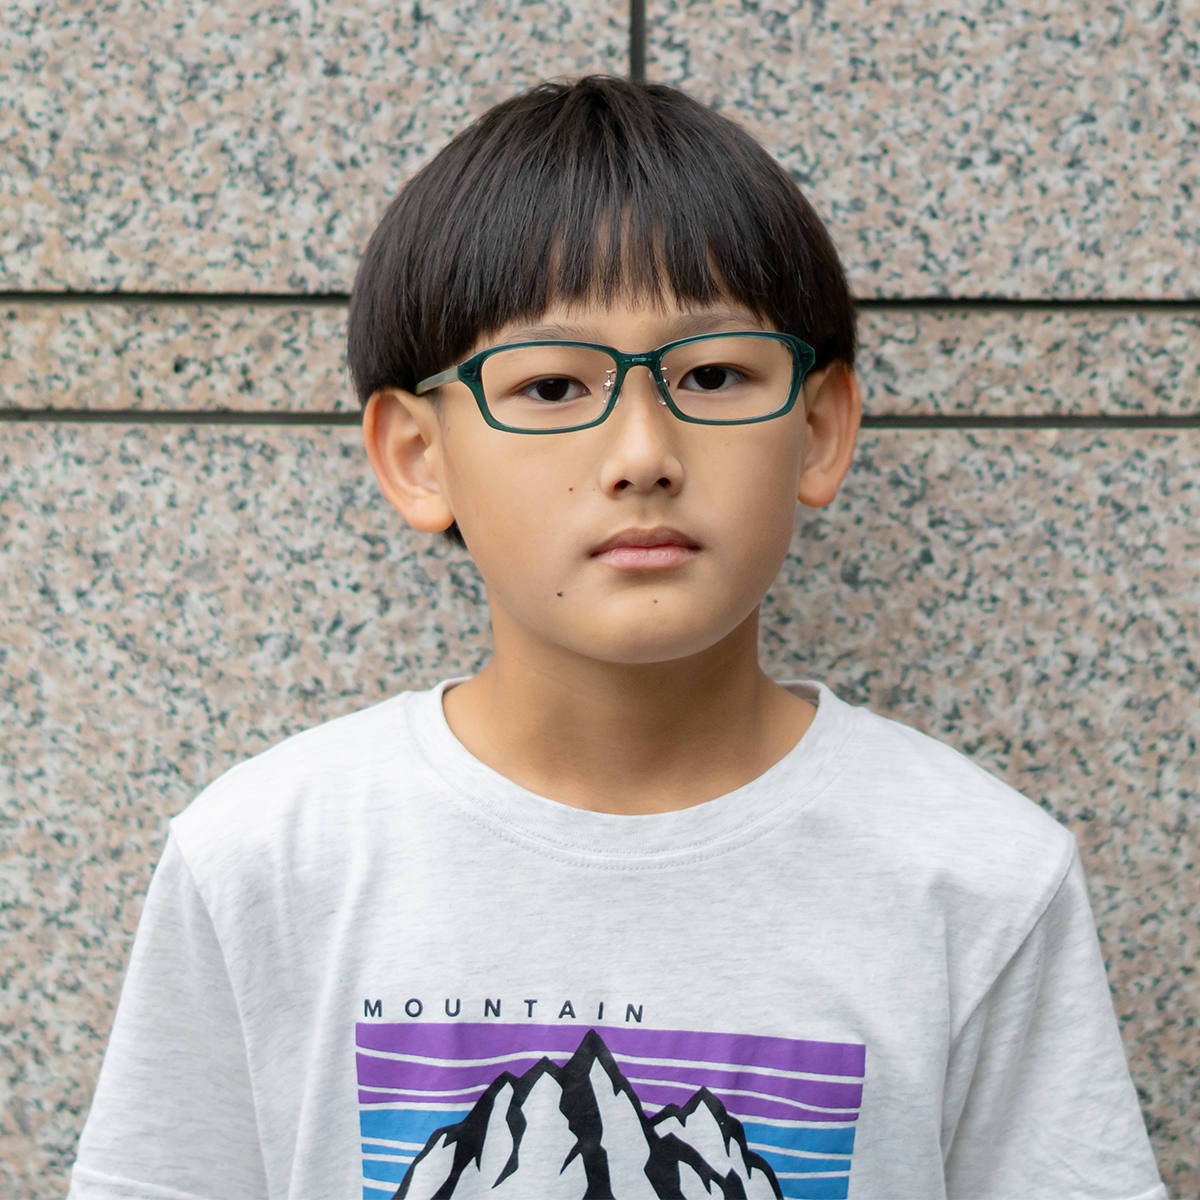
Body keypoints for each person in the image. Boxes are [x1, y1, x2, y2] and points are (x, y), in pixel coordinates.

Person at [68, 76, 1164, 1200]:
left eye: (713, 375)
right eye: (551, 385)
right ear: (417, 457)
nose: (643, 453)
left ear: (820, 429)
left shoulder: (979, 877)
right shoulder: (267, 860)